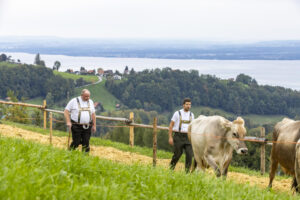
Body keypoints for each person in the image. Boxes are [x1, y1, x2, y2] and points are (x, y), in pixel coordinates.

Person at [169, 98, 194, 172]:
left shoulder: (191, 115)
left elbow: (193, 127)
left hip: (188, 137)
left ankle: (187, 173)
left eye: (189, 104)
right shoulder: (177, 113)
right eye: (187, 104)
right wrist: (170, 137)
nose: (188, 106)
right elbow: (171, 126)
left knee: (189, 155)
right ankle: (171, 169)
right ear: (183, 105)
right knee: (177, 154)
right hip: (178, 136)